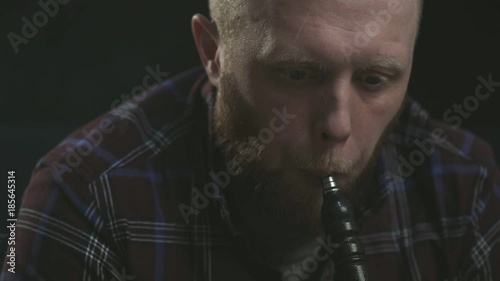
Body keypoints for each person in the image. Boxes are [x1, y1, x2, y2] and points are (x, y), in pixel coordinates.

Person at [2, 0, 500, 280]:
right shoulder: (85, 197)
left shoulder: (467, 184)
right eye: (299, 74)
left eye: (375, 79)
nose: (339, 127)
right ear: (213, 52)